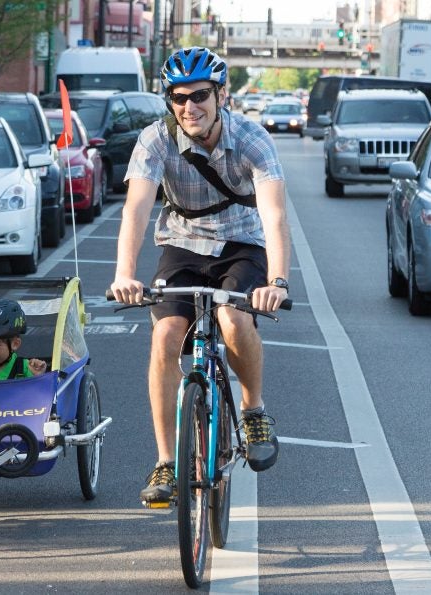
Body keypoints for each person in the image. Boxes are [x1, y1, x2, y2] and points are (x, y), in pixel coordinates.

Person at [108, 46, 292, 505]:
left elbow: (274, 216)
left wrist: (278, 281)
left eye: (200, 95)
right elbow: (135, 209)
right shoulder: (155, 139)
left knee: (233, 320)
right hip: (182, 246)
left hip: (242, 245)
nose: (189, 107)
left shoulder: (252, 139)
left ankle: (252, 410)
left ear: (222, 95)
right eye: (178, 97)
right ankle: (167, 462)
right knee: (166, 336)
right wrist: (124, 274)